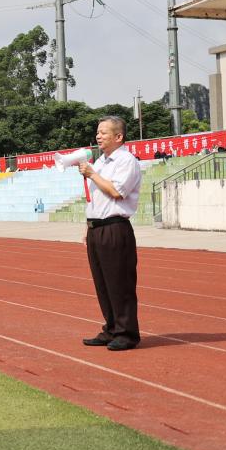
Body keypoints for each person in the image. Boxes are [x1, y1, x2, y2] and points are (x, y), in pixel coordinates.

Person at [77, 115, 143, 352]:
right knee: (103, 283)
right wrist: (88, 227)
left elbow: (116, 192)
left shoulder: (126, 161)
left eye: (103, 132)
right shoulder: (101, 162)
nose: (98, 136)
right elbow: (96, 198)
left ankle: (127, 333)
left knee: (119, 283)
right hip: (97, 229)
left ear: (118, 136)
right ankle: (112, 328)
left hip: (115, 228)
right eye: (97, 132)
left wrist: (92, 174)